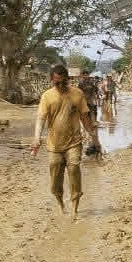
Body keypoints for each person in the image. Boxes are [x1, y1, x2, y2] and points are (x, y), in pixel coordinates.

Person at [31, 65, 100, 219]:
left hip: (74, 142)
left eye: (64, 82)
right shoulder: (47, 96)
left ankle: (75, 207)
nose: (61, 85)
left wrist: (92, 135)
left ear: (68, 79)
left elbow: (84, 116)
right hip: (54, 145)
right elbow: (41, 118)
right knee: (55, 176)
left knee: (74, 167)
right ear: (51, 81)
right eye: (57, 83)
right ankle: (60, 202)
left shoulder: (77, 94)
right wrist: (36, 137)